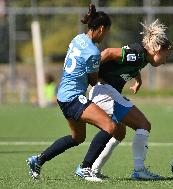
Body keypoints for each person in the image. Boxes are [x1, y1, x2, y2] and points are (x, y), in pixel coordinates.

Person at [26, 4, 117, 182]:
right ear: (100, 29)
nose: (104, 36)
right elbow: (93, 81)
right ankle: (85, 168)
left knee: (78, 137)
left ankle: (38, 160)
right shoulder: (92, 52)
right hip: (74, 97)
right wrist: (108, 78)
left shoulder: (78, 38)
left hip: (63, 95)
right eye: (105, 32)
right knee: (110, 126)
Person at [88, 19, 173, 180]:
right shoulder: (137, 53)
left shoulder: (142, 58)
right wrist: (87, 69)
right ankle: (139, 170)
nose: (165, 62)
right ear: (157, 49)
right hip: (104, 90)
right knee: (144, 125)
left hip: (106, 91)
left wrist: (138, 80)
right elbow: (107, 53)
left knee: (118, 131)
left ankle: (93, 169)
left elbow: (132, 66)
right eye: (165, 56)